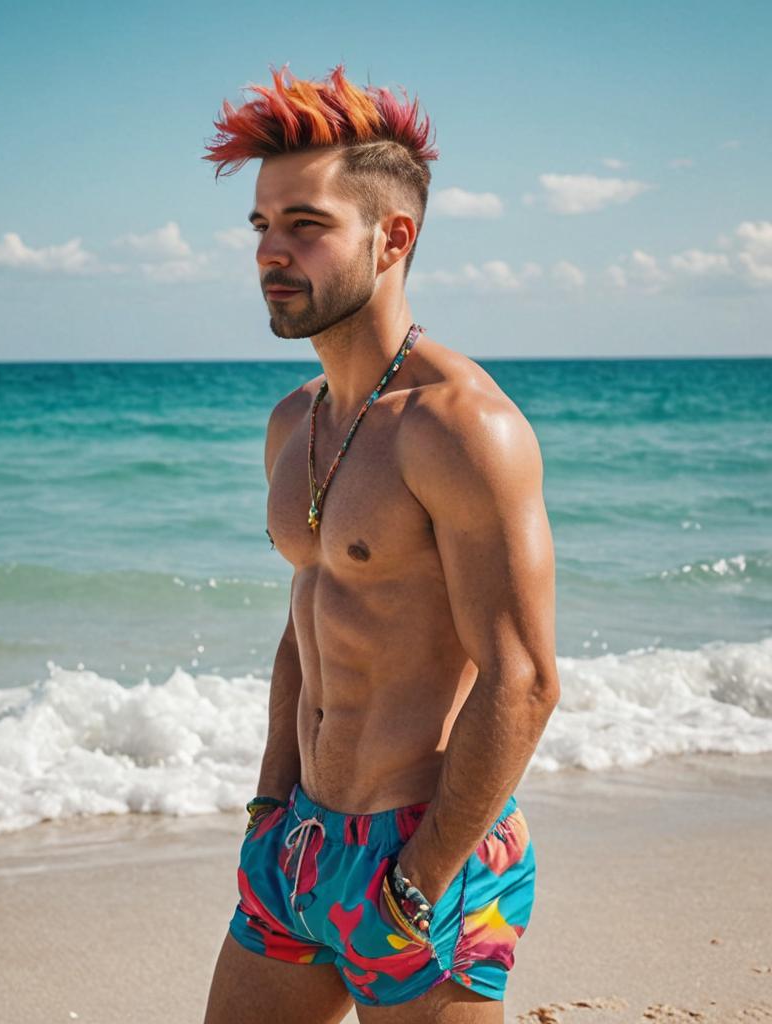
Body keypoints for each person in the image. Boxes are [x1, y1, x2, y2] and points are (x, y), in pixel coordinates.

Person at [201, 64, 560, 1024]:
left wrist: (421, 876)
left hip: (424, 857)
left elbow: (523, 678)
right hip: (300, 847)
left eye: (306, 226)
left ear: (393, 236)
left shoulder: (460, 426)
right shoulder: (294, 423)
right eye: (262, 227)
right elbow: (303, 621)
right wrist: (269, 807)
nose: (272, 252)